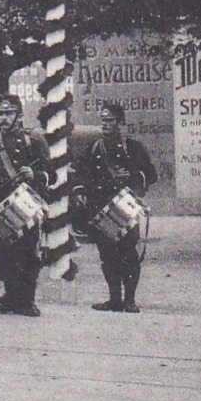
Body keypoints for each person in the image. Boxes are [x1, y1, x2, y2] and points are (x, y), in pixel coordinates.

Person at [76, 101, 158, 313]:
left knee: (128, 253)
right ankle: (114, 299)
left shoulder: (133, 147)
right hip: (101, 207)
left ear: (120, 123)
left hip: (125, 207)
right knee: (107, 254)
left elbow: (151, 174)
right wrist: (81, 192)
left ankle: (129, 300)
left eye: (110, 120)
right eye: (103, 120)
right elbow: (82, 174)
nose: (105, 124)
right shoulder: (94, 147)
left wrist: (133, 177)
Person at [0, 93, 50, 316]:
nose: (3, 118)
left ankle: (27, 300)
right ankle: (11, 297)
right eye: (0, 114)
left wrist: (35, 174)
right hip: (1, 205)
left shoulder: (33, 139)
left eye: (8, 113)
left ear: (19, 116)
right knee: (4, 254)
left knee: (28, 253)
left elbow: (50, 172)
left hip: (26, 204)